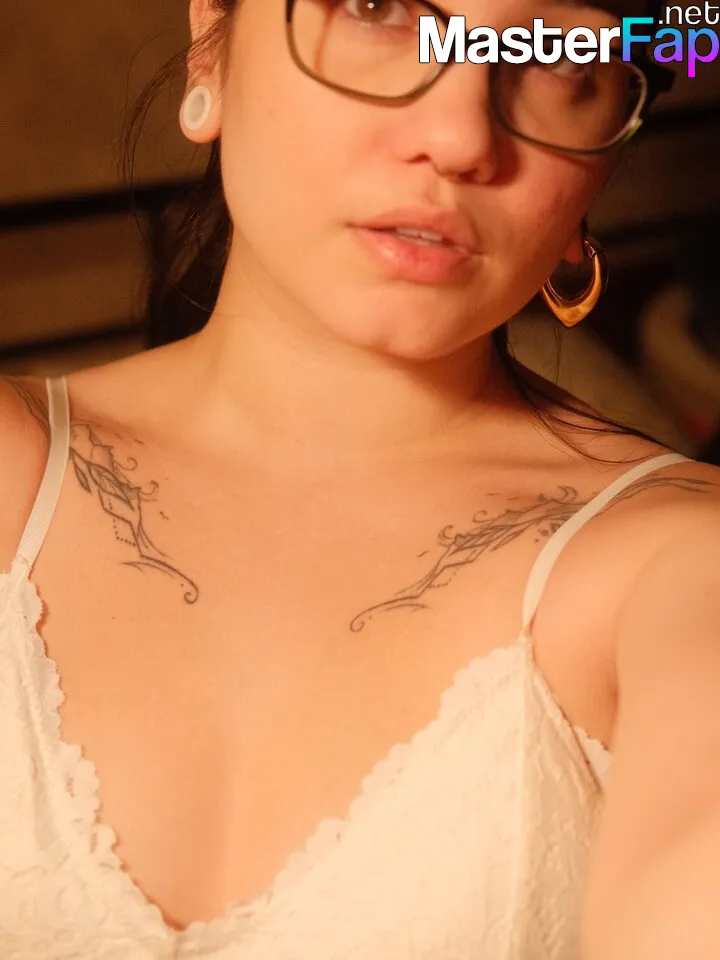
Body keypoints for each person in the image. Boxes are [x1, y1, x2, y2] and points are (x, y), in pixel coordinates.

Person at [0, 1, 718, 958]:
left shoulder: (678, 566)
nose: (459, 139)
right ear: (212, 37)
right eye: (378, 8)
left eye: (555, 53)